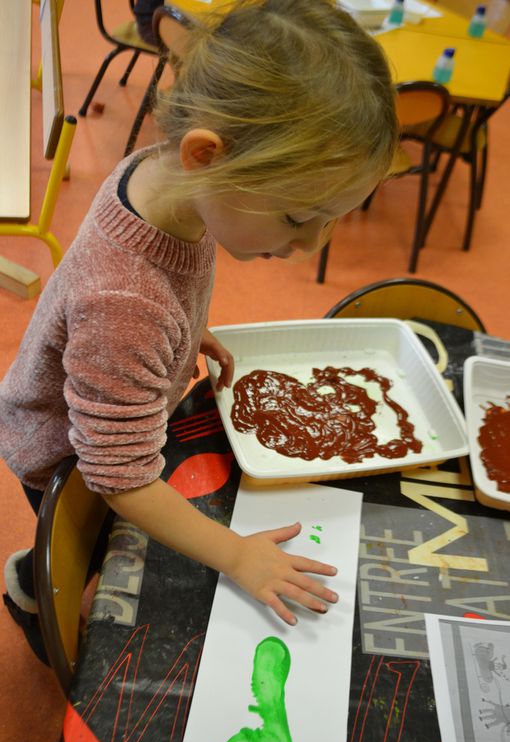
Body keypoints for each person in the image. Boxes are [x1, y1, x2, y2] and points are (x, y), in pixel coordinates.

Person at [0, 0, 398, 663]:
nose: (311, 245)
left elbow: (148, 301)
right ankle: (31, 584)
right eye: (300, 216)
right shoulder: (127, 301)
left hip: (111, 408)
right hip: (65, 455)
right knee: (82, 545)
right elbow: (119, 478)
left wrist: (187, 330)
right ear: (207, 154)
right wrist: (238, 555)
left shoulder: (170, 181)